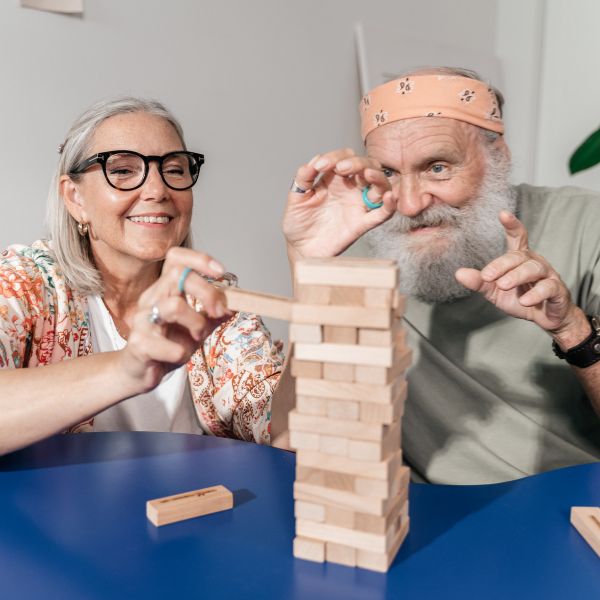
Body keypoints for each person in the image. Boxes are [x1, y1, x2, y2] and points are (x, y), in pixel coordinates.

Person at [282, 67, 600, 484]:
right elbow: (297, 440)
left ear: (497, 155)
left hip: (569, 504)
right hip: (427, 514)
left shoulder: (587, 224)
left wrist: (571, 329)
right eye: (390, 173)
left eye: (436, 167)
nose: (411, 205)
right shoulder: (362, 247)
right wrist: (306, 265)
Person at [0, 97, 283, 455]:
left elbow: (287, 429)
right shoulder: (25, 284)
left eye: (175, 169)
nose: (157, 190)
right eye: (122, 170)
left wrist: (312, 261)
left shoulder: (209, 303)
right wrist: (125, 369)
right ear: (75, 198)